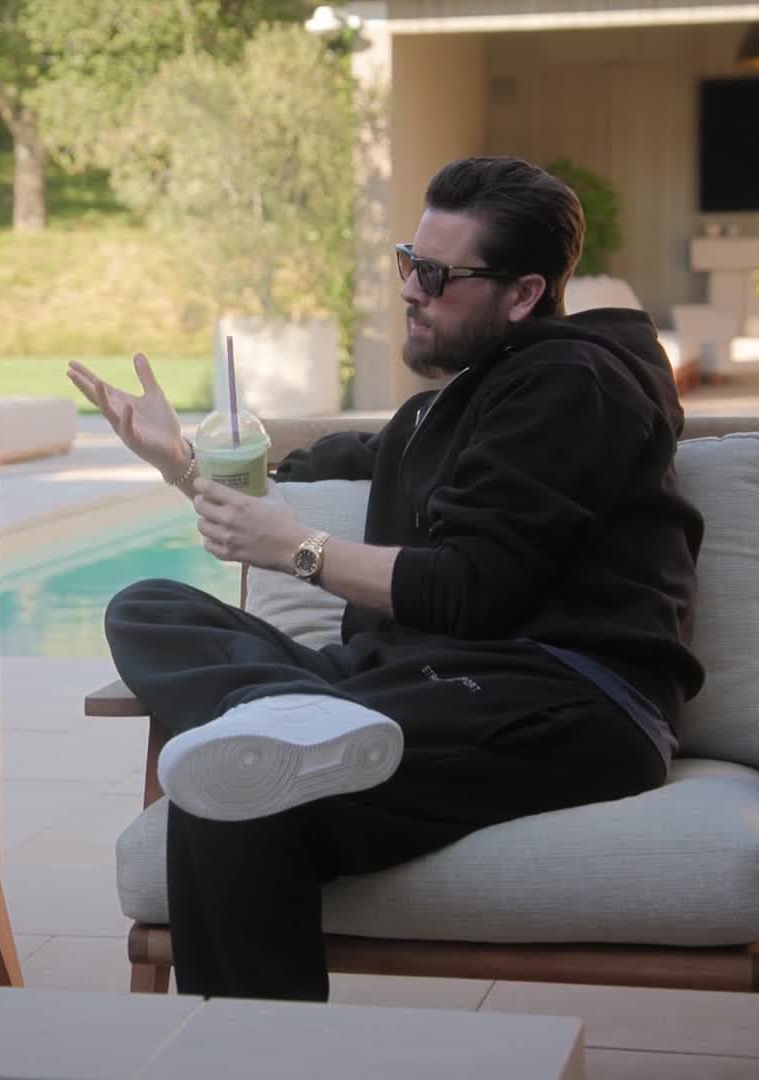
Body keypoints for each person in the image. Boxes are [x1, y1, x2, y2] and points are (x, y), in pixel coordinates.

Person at [67, 156, 704, 1001]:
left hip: (559, 696)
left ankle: (282, 739)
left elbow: (475, 587)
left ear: (523, 293)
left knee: (233, 789)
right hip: (410, 681)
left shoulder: (574, 385)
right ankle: (287, 717)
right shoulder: (445, 410)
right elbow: (288, 482)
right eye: (409, 261)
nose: (409, 289)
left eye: (436, 275)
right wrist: (180, 461)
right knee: (147, 609)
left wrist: (301, 551)